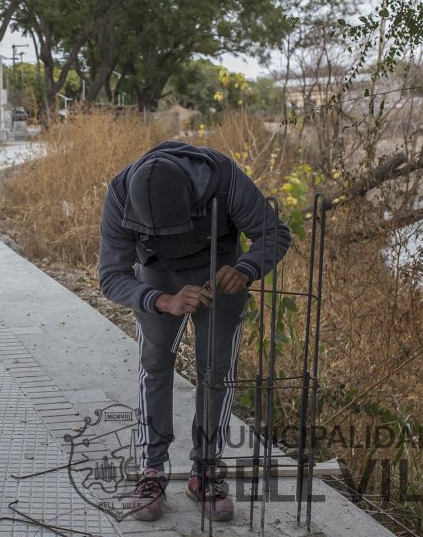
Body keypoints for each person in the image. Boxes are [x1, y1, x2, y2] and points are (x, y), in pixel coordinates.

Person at [97, 141, 290, 522]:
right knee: (154, 367)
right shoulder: (119, 196)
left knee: (215, 372)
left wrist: (246, 269)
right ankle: (152, 469)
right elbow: (111, 276)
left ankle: (206, 470)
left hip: (222, 275)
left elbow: (274, 234)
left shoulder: (225, 180)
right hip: (155, 281)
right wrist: (159, 299)